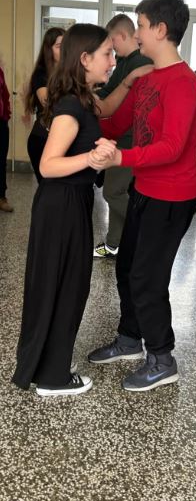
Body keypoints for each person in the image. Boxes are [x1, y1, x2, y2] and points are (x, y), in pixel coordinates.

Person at [12, 23, 151, 397]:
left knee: (63, 287)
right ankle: (53, 378)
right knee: (64, 288)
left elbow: (84, 140)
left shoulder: (82, 98)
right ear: (85, 58)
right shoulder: (71, 106)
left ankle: (48, 366)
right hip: (61, 206)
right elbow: (48, 165)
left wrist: (97, 149)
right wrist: (91, 158)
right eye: (107, 54)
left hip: (70, 203)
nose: (113, 61)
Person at [87, 0, 196, 393]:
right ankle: (129, 339)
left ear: (160, 29)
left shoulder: (184, 83)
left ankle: (162, 357)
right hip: (145, 188)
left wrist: (120, 157)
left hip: (174, 195)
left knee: (147, 276)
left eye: (140, 25)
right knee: (127, 267)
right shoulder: (147, 78)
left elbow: (172, 147)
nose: (135, 33)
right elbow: (115, 122)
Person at [93, 14, 153, 258]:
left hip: (130, 138)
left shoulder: (142, 62)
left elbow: (124, 102)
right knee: (117, 191)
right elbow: (109, 91)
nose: (111, 48)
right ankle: (113, 244)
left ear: (121, 35)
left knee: (113, 192)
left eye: (112, 41)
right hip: (120, 135)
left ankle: (145, 233)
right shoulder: (125, 61)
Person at [25, 27, 65, 183]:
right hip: (41, 140)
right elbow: (47, 100)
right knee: (48, 190)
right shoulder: (41, 74)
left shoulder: (69, 73)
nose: (64, 50)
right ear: (49, 50)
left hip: (61, 140)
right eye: (59, 46)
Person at [0, 65, 12, 212]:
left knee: (1, 161)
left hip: (1, 123)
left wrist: (6, 115)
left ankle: (1, 197)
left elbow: (5, 95)